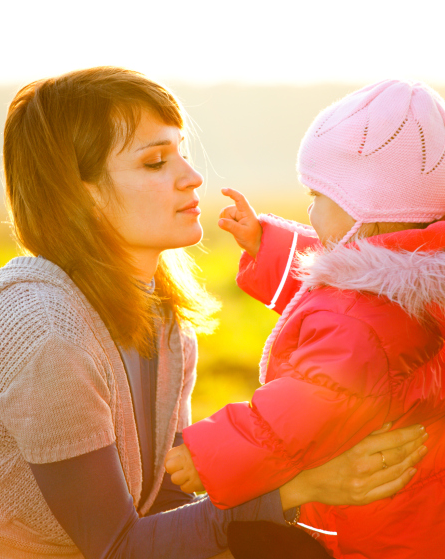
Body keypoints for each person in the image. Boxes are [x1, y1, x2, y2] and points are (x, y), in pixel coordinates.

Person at [0, 69, 426, 559]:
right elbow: (121, 548)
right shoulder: (47, 336)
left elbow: (163, 502)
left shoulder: (163, 316)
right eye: (154, 162)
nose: (192, 178)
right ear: (77, 191)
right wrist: (298, 487)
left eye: (183, 154)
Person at [166, 79, 445, 559]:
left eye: (318, 195)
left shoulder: (360, 319)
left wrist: (208, 455)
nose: (309, 209)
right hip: (421, 512)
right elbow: (343, 286)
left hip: (373, 529)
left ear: (366, 209)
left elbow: (301, 410)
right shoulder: (413, 280)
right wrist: (267, 245)